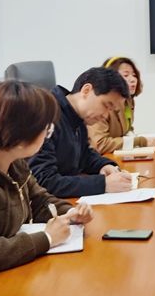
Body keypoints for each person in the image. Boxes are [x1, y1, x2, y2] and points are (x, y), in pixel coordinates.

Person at [0, 81, 94, 296]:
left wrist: (69, 213)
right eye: (47, 130)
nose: (47, 135)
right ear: (21, 136)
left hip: (3, 274)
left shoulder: (11, 156)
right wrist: (46, 238)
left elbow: (38, 199)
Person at [29, 67, 134, 198]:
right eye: (106, 105)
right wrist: (103, 184)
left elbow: (84, 155)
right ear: (86, 90)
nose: (106, 115)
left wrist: (104, 166)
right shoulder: (46, 115)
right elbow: (44, 180)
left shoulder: (77, 118)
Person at [87, 56, 155, 154]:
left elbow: (126, 130)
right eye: (126, 75)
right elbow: (100, 144)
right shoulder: (99, 105)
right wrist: (140, 142)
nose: (133, 79)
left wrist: (136, 140)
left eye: (134, 75)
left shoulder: (128, 101)